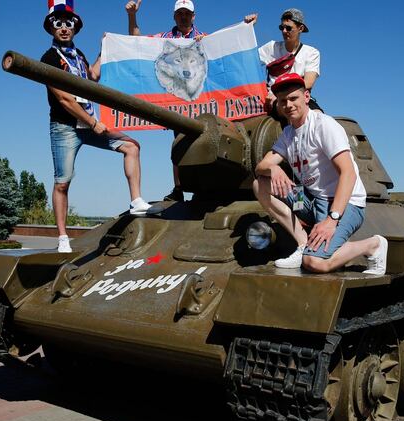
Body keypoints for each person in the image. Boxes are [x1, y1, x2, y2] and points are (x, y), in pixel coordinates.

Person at [41, 0, 151, 253]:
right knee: (62, 182)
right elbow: (64, 99)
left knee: (131, 146)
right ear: (51, 28)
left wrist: (104, 50)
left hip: (89, 123)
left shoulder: (77, 55)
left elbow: (92, 77)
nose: (64, 28)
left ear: (75, 27)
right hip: (66, 126)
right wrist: (93, 122)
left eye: (69, 23)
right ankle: (62, 237)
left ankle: (136, 201)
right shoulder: (49, 58)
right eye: (58, 24)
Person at [252, 73, 387, 275]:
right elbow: (260, 166)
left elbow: (348, 173)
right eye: (283, 101)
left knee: (314, 263)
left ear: (306, 97)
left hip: (344, 201)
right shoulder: (288, 134)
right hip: (311, 199)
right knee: (260, 184)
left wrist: (331, 220)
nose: (288, 104)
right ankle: (302, 244)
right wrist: (273, 168)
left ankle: (373, 245)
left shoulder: (324, 125)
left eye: (293, 98)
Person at [124, 0, 257, 201]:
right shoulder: (164, 39)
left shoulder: (203, 38)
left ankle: (210, 187)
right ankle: (179, 188)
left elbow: (226, 43)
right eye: (180, 14)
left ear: (193, 16)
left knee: (211, 140)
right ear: (174, 16)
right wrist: (132, 16)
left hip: (201, 100)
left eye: (187, 13)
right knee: (179, 142)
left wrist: (245, 26)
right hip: (177, 100)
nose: (183, 17)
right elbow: (138, 42)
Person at [258, 8, 321, 114]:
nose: (284, 31)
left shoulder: (311, 52)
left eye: (288, 28)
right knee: (291, 111)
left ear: (300, 28)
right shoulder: (271, 47)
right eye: (281, 27)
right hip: (275, 98)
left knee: (319, 116)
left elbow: (308, 82)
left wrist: (285, 93)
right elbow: (248, 60)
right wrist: (248, 27)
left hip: (300, 98)